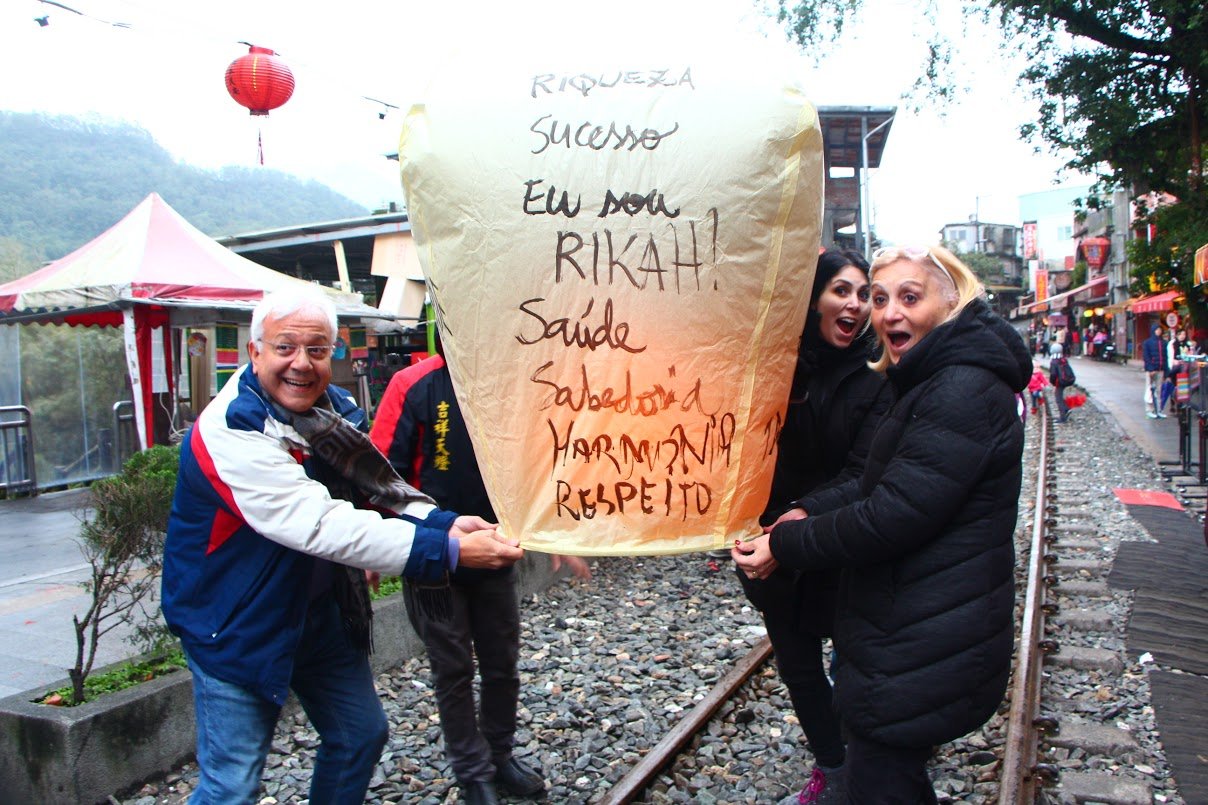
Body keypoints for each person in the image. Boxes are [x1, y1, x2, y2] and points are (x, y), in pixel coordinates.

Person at [161, 287, 524, 805]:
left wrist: (443, 524)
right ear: (255, 352)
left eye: (316, 350)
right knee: (232, 783)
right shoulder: (232, 432)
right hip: (236, 621)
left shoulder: (334, 413)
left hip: (318, 612)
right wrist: (444, 550)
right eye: (285, 348)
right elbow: (322, 524)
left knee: (359, 736)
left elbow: (380, 488)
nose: (301, 364)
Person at [734, 245, 1030, 803]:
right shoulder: (923, 376)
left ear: (952, 300)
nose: (887, 311)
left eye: (909, 297)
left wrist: (792, 532)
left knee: (881, 768)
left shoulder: (955, 387)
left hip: (914, 618)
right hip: (900, 608)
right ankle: (837, 770)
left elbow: (890, 511)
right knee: (880, 764)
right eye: (880, 297)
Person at [370, 345, 590, 805]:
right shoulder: (413, 384)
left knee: (501, 661)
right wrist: (373, 542)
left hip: (494, 549)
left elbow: (540, 464)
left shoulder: (516, 382)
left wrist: (558, 534)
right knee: (451, 667)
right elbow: (377, 474)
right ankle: (473, 773)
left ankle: (498, 753)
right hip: (433, 555)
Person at [737, 249, 890, 805]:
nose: (854, 304)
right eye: (841, 291)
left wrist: (799, 518)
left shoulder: (879, 375)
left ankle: (869, 768)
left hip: (844, 543)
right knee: (800, 670)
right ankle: (834, 767)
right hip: (771, 548)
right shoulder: (773, 364)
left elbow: (865, 473)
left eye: (863, 294)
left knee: (855, 672)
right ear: (813, 298)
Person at [1142, 324, 1168, 418]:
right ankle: (1149, 409)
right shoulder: (1147, 342)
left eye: (1160, 330)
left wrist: (1166, 371)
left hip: (1161, 369)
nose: (1159, 331)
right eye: (1157, 329)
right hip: (1151, 370)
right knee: (1149, 389)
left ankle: (1158, 410)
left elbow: (1165, 358)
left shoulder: (1164, 343)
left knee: (1159, 390)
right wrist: (1150, 369)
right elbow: (1146, 356)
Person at [1049, 352, 1076, 423]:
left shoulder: (1054, 361)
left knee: (1058, 398)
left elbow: (1053, 374)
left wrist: (1052, 382)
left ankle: (1063, 416)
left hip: (1060, 381)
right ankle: (1066, 409)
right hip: (1066, 380)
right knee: (1059, 396)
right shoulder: (1063, 359)